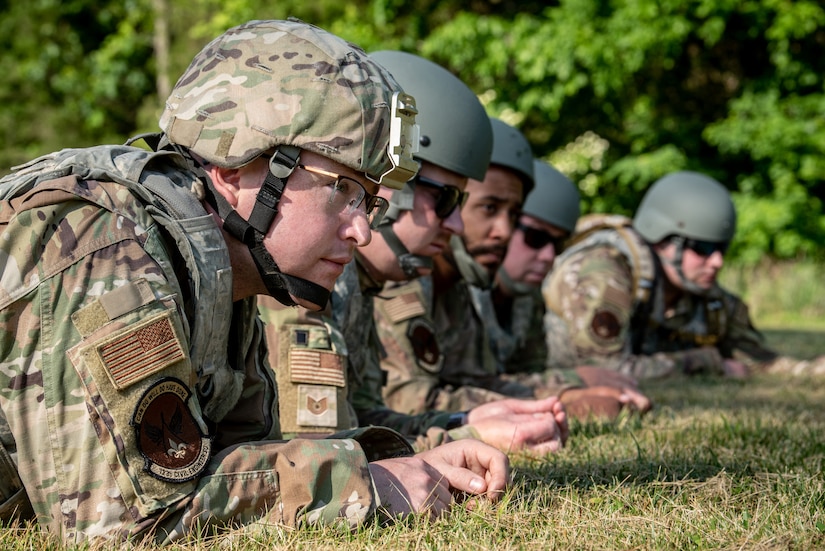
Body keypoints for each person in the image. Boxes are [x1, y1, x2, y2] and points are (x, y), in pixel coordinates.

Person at [0, 20, 509, 544]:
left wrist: (399, 459)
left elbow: (229, 463)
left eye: (369, 203)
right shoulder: (110, 247)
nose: (360, 230)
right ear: (236, 167)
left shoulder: (222, 274)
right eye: (344, 191)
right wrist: (369, 483)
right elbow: (123, 523)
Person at [259, 49, 567, 456]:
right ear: (389, 183)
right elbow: (314, 453)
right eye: (444, 200)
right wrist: (463, 435)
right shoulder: (304, 281)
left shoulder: (354, 285)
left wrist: (467, 422)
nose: (456, 225)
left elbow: (364, 419)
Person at [542, 170, 773, 379]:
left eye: (721, 249)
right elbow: (605, 371)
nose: (717, 262)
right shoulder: (605, 273)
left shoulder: (705, 298)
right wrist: (704, 362)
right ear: (661, 239)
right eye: (703, 248)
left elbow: (758, 359)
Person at [491, 159, 652, 418]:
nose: (547, 256)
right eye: (536, 238)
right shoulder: (457, 289)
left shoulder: (526, 298)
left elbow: (526, 373)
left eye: (557, 245)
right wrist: (567, 394)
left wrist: (572, 382)